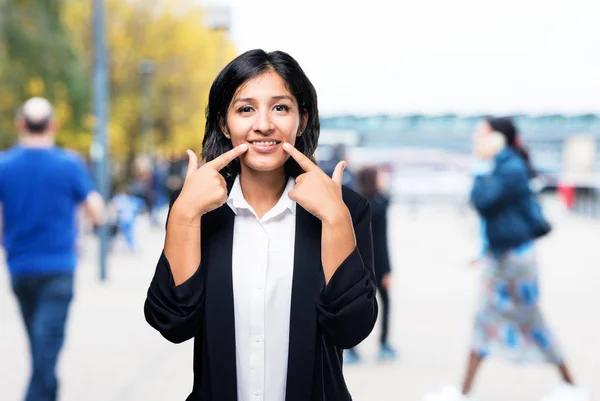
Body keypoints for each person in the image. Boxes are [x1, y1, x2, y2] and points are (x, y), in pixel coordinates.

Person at [144, 49, 378, 401]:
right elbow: (173, 324)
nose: (264, 124)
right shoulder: (198, 209)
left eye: (281, 107)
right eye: (246, 108)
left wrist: (335, 219)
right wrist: (182, 217)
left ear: (302, 117)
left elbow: (351, 329)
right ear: (224, 123)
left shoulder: (345, 209)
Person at [424, 117, 588, 401]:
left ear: (498, 138)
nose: (476, 140)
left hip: (513, 261)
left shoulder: (509, 167)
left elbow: (484, 201)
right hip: (505, 257)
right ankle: (464, 391)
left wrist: (480, 166)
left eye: (481, 134)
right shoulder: (504, 165)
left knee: (524, 319)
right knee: (496, 320)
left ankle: (571, 386)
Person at [0, 97, 104, 401]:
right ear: (53, 126)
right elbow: (96, 209)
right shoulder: (69, 164)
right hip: (59, 268)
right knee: (45, 351)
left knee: (40, 347)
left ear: (21, 124)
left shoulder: (4, 165)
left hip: (20, 268)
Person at [345, 166, 397, 363]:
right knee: (385, 303)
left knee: (356, 307)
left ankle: (351, 349)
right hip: (378, 263)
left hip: (357, 262)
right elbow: (382, 241)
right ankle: (383, 344)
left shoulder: (354, 203)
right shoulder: (380, 205)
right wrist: (388, 270)